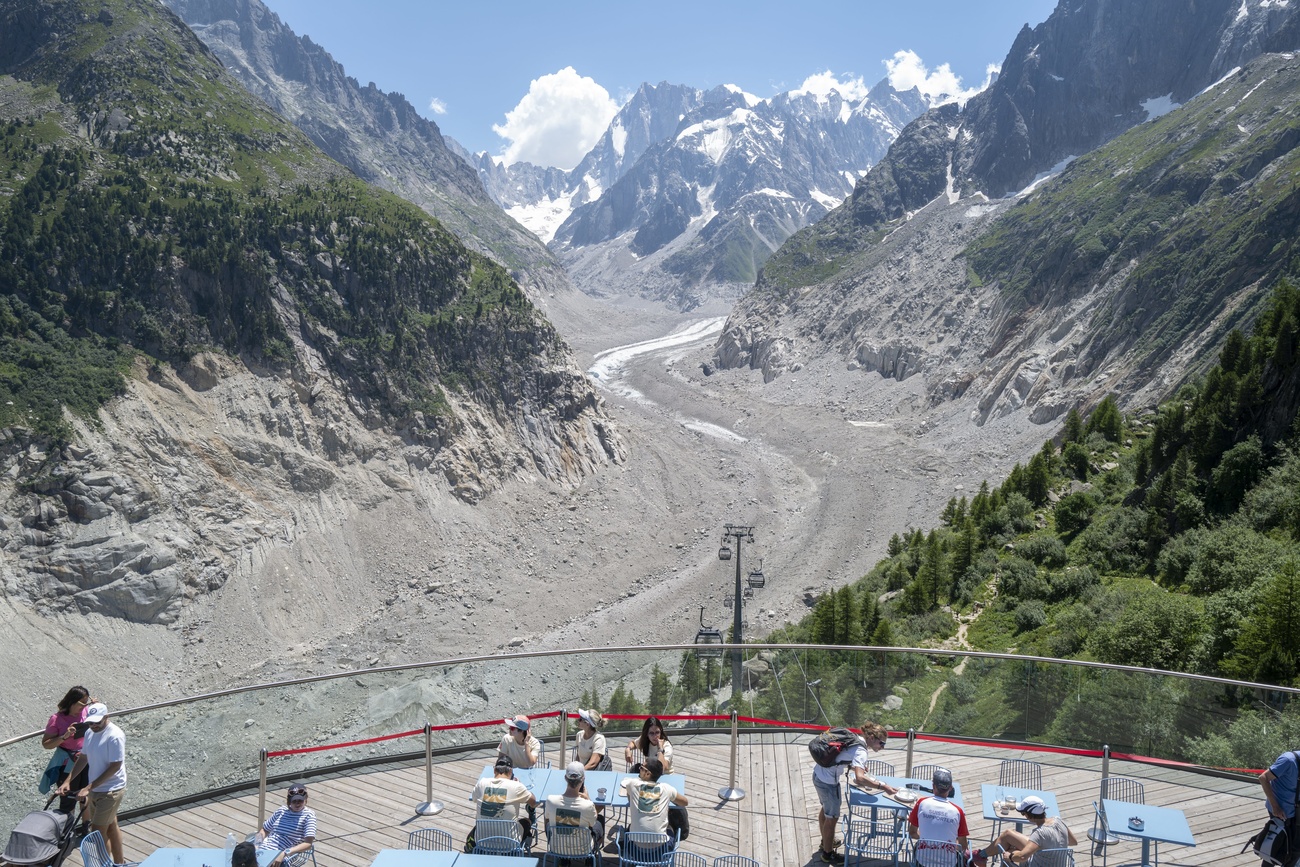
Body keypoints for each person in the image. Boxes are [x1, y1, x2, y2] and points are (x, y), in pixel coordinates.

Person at [812, 720, 897, 865]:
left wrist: (854, 766)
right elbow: (860, 778)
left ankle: (826, 842)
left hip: (818, 775)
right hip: (828, 783)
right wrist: (883, 786)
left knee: (826, 811)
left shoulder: (855, 739)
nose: (882, 747)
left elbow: (840, 757)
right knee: (832, 818)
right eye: (881, 743)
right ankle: (828, 853)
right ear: (871, 738)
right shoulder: (861, 751)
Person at [55, 703, 127, 865]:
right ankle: (119, 863)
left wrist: (88, 787)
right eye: (90, 722)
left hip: (111, 790)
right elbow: (83, 758)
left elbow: (115, 766)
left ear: (106, 717)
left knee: (97, 833)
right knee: (111, 827)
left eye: (97, 722)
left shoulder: (115, 736)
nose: (93, 725)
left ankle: (104, 864)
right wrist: (68, 781)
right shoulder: (89, 732)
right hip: (96, 788)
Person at [968, 796, 1076, 867]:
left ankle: (981, 855)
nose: (1024, 816)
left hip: (1040, 864)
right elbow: (1072, 841)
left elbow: (1023, 857)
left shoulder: (1039, 833)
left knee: (1009, 852)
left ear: (1029, 815)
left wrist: (1009, 857)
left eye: (1023, 814)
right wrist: (1050, 844)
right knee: (1008, 834)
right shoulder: (1058, 820)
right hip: (1058, 862)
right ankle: (981, 855)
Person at [41, 686, 92, 809]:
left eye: (87, 703)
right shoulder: (57, 719)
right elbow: (46, 744)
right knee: (68, 798)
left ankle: (85, 826)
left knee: (85, 796)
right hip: (67, 763)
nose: (85, 706)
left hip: (86, 759)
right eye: (82, 703)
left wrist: (96, 707)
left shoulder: (86, 712)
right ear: (72, 701)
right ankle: (67, 825)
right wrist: (64, 736)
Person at [907, 767, 969, 867]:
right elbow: (963, 846)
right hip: (948, 864)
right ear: (950, 788)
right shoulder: (958, 811)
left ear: (933, 786)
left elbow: (912, 833)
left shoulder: (921, 803)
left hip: (923, 862)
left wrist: (927, 839)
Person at [623, 758, 687, 853]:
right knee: (670, 828)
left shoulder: (633, 784)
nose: (639, 769)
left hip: (635, 851)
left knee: (629, 828)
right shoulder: (666, 788)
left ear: (648, 774)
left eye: (641, 768)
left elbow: (627, 791)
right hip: (660, 852)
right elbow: (684, 802)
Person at [473, 755, 537, 843]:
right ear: (510, 771)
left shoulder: (482, 783)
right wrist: (520, 785)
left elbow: (474, 798)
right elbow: (533, 802)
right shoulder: (516, 786)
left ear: (494, 770)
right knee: (527, 821)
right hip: (509, 844)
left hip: (482, 842)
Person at [543, 761, 604, 854]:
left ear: (565, 778)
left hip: (556, 848)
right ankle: (592, 856)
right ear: (583, 779)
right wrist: (588, 799)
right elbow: (593, 822)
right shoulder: (587, 805)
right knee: (600, 820)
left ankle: (562, 859)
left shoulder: (551, 800)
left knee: (548, 821)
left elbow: (547, 819)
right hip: (582, 850)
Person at [256, 783, 317, 867]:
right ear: (289, 801)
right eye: (294, 801)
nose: (297, 804)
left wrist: (285, 852)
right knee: (240, 854)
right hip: (263, 849)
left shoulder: (309, 815)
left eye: (300, 801)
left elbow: (308, 844)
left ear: (305, 799)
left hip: (285, 854)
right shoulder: (281, 810)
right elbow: (264, 830)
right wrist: (256, 844)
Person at [1261, 749, 1299, 821]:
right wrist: (1275, 807)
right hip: (1282, 812)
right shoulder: (1288, 760)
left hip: (1296, 810)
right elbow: (1263, 778)